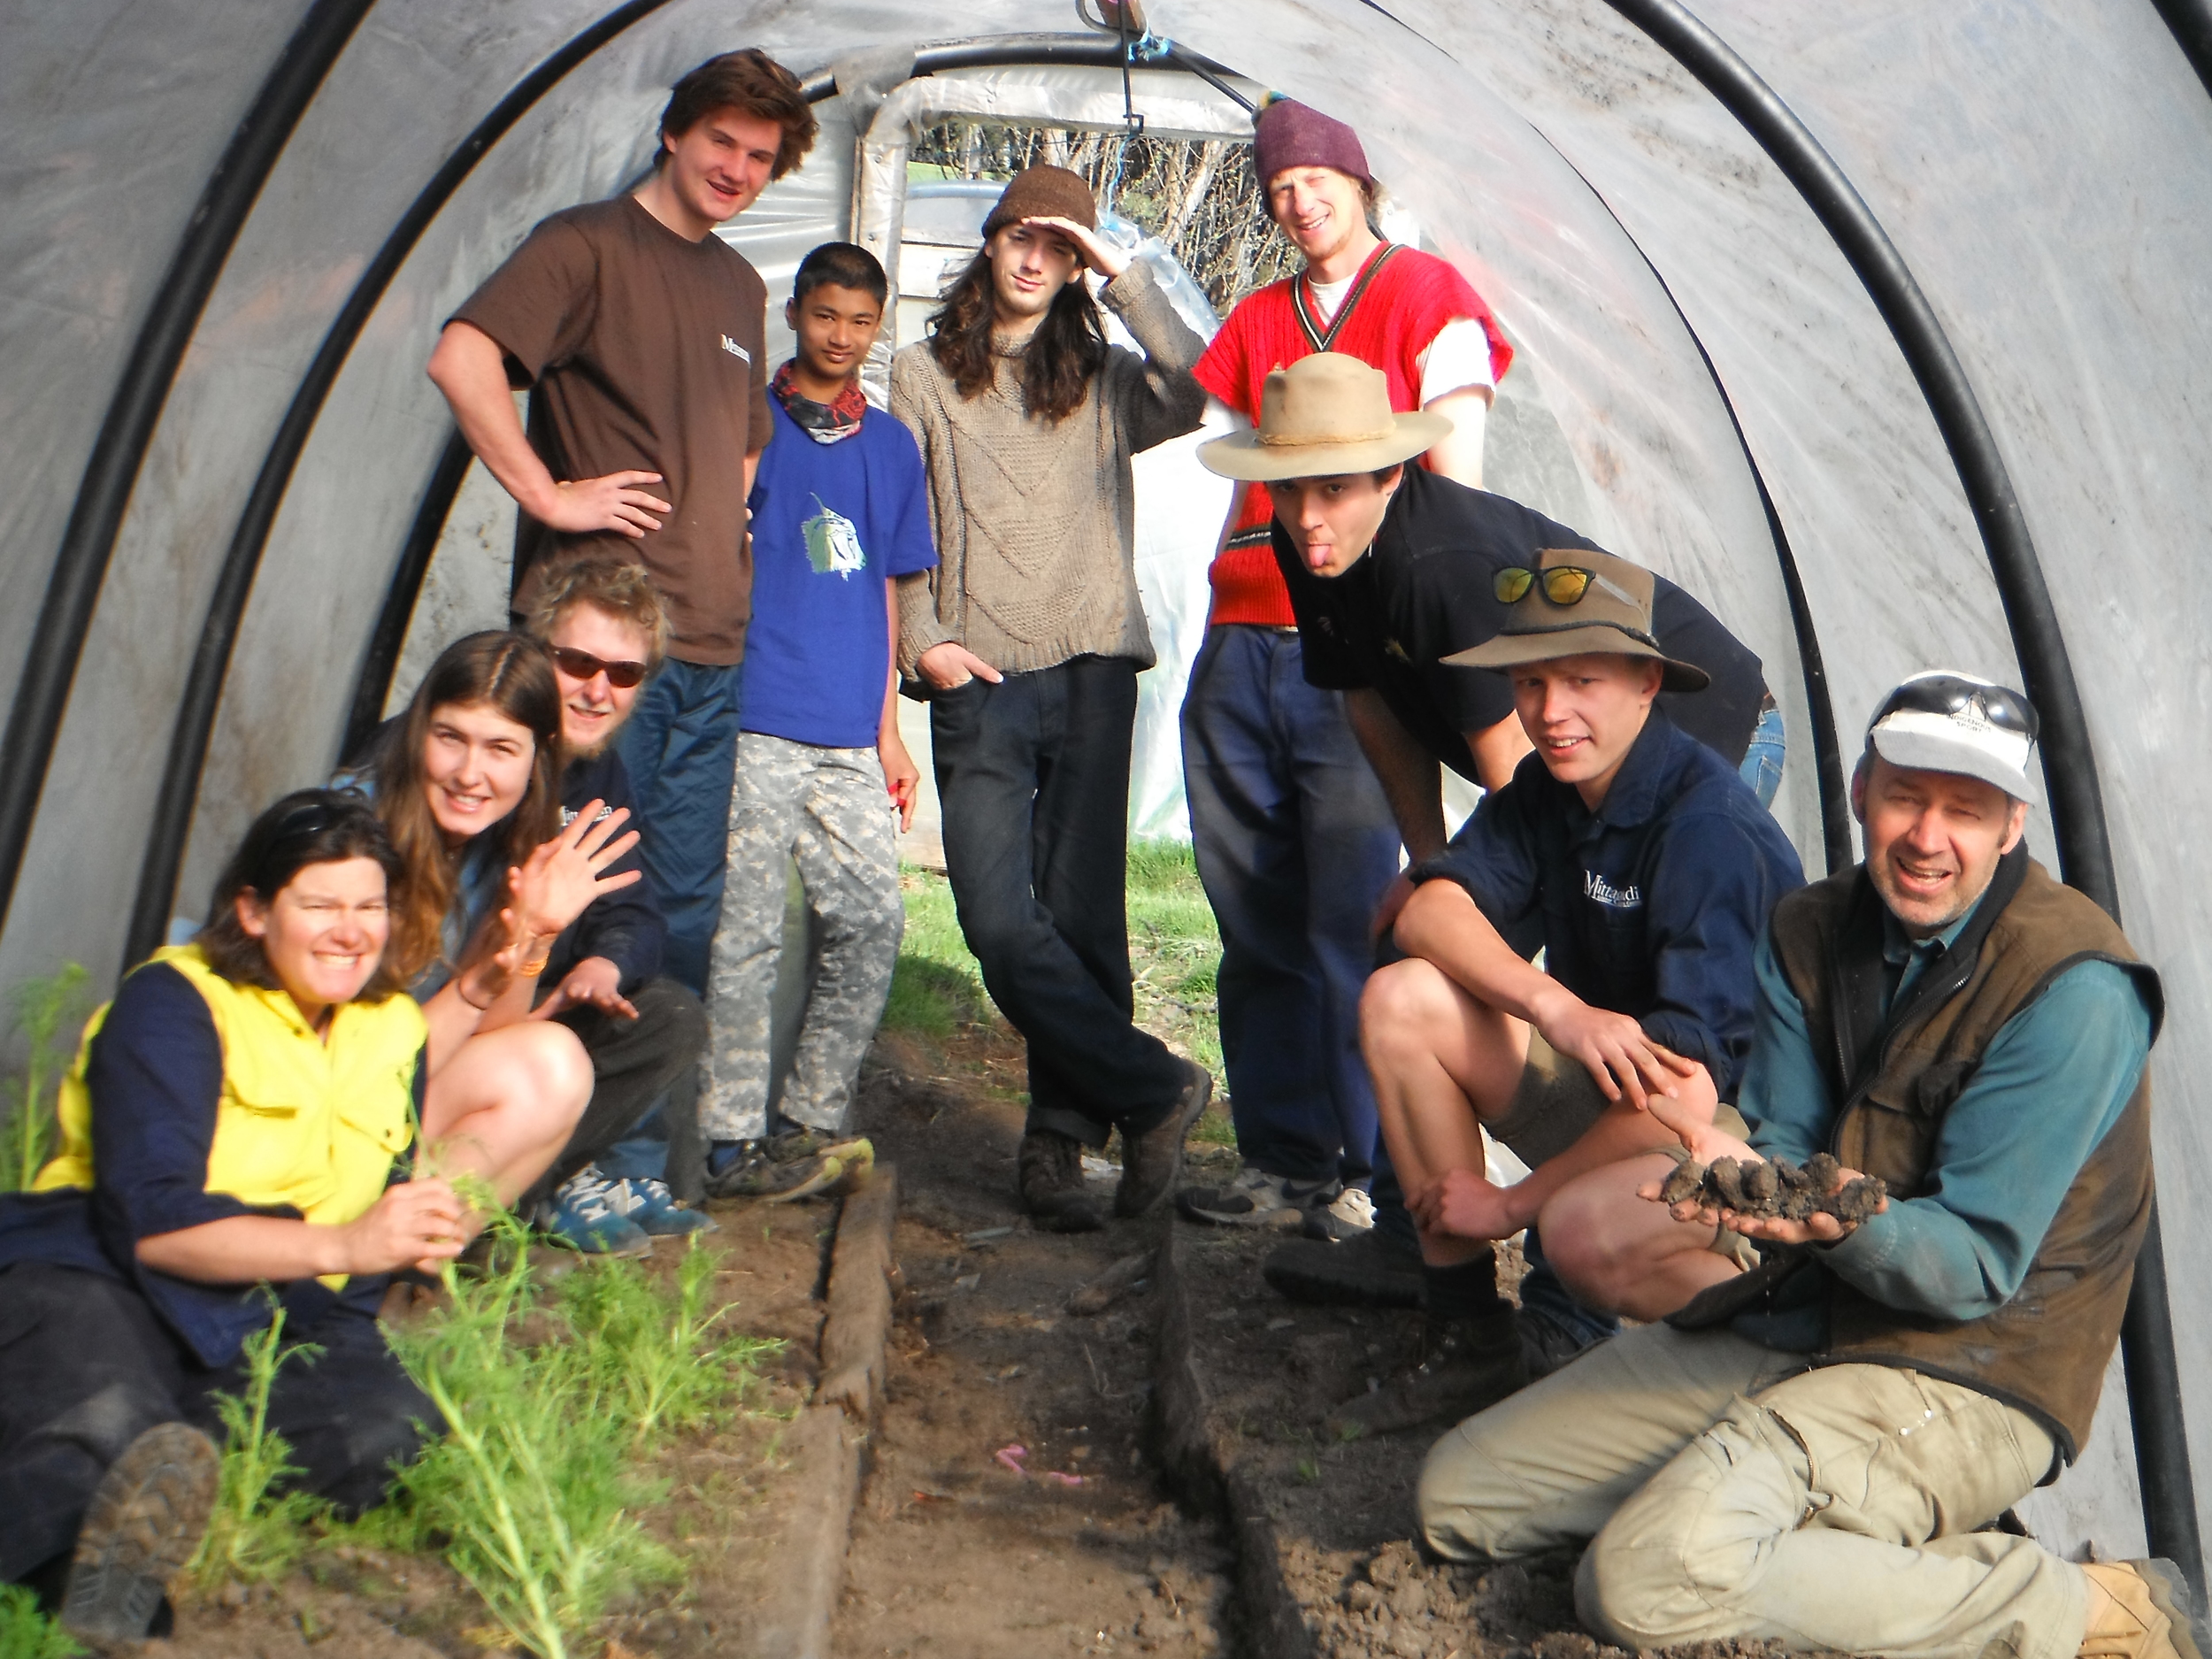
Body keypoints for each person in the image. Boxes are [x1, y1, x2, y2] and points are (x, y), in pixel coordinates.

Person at [1417, 673, 2203, 1659]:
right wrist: (1745, 1174)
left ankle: (2088, 1607)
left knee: (1643, 1579)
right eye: (1906, 797)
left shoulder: (2072, 988)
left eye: (1965, 811)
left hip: (1971, 1369)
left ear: (2011, 827)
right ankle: (1794, 1514)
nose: (1927, 835)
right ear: (1860, 793)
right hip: (1804, 1316)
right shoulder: (1809, 927)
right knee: (1457, 1498)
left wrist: (1836, 1218)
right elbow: (1782, 1144)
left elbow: (1971, 1269)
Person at [1199, 353, 1778, 1356]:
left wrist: (1520, 1184)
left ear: (1391, 475)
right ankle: (1444, 1286)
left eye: (1331, 489)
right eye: (1287, 490)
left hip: (1701, 734)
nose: (1306, 516)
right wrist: (1440, 872)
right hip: (1580, 765)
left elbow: (1522, 763)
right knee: (1421, 969)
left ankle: (1572, 1295)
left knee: (1630, 993)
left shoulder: (1444, 573)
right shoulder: (1315, 536)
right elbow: (1368, 700)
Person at [0, 792, 459, 1644]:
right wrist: (347, 1241)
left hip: (269, 1307)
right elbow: (155, 1225)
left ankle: (147, 1468)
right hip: (110, 1276)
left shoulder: (393, 1027)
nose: (351, 930)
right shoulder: (175, 1002)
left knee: (391, 1424)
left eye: (370, 906)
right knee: (101, 1401)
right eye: (319, 904)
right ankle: (91, 1564)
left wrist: (398, 1255)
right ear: (252, 909)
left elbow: (370, 1225)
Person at [1177, 97, 1513, 1242]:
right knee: (1253, 909)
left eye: (1317, 176)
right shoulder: (1263, 313)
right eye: (1277, 186)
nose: (1297, 199)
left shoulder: (1427, 295)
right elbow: (1221, 444)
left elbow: (1454, 476)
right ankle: (1282, 1156)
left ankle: (1371, 1168)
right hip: (1246, 634)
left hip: (1358, 646)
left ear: (1361, 183)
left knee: (1353, 910)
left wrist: (1419, 621)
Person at [427, 49, 818, 995]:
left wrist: (729, 528)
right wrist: (550, 496)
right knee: (568, 887)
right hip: (596, 648)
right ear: (673, 132)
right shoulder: (586, 245)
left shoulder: (739, 284)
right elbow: (461, 359)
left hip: (713, 645)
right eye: (719, 140)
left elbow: (746, 440)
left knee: (680, 902)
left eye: (759, 156)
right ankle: (523, 1116)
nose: (735, 168)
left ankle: (630, 1146)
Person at [893, 164, 1212, 1233]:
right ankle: (1153, 1089)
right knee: (993, 917)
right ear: (990, 243)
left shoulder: (1104, 375)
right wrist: (923, 642)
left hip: (1089, 666)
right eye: (1022, 237)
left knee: (1083, 917)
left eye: (1059, 247)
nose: (1035, 259)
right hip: (977, 673)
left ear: (1077, 266)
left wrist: (1121, 271)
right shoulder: (921, 375)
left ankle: (1060, 1144)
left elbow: (1199, 384)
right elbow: (903, 525)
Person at [694, 242, 933, 1199]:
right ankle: (724, 1137)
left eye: (861, 320)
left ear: (879, 328)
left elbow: (883, 585)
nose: (842, 336)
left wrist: (886, 730)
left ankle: (810, 1116)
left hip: (846, 730)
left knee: (873, 918)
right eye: (826, 315)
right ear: (795, 315)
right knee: (743, 930)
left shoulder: (889, 446)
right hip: (757, 714)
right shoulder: (748, 425)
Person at [341, 631, 639, 1248]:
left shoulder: (503, 842)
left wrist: (535, 936)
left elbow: (498, 1036)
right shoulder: (351, 840)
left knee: (554, 1063)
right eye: (450, 737)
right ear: (419, 730)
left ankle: (411, 1264)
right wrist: (477, 983)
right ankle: (350, 1253)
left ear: (539, 757)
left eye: (501, 748)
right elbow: (363, 1067)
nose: (469, 774)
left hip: (393, 1093)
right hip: (320, 1101)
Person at [518, 552, 712, 1249]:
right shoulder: (497, 760)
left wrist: (604, 962)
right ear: (538, 654)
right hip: (482, 1005)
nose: (598, 690)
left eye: (624, 674)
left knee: (669, 1014)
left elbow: (634, 908)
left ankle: (572, 1175)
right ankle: (522, 1189)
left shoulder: (603, 776)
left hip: (552, 998)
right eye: (579, 664)